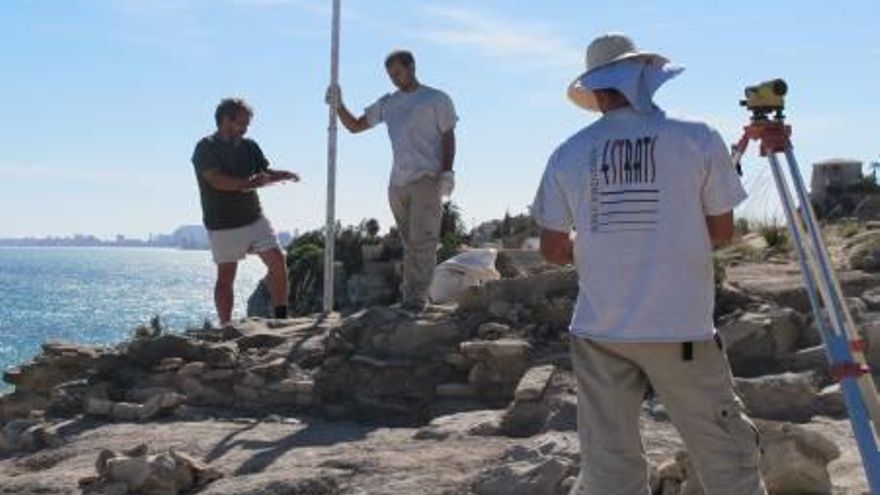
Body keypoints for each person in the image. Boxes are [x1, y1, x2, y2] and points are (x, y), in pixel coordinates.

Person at [532, 33, 767, 495]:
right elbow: (721, 233)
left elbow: (553, 248)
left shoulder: (569, 153)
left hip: (600, 332)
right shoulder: (697, 138)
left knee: (607, 471)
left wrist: (604, 244)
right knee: (727, 461)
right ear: (645, 79)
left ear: (597, 92)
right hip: (680, 330)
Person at [327, 50, 458, 311]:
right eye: (390, 75)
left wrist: (447, 172)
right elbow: (354, 126)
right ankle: (411, 295)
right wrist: (338, 105)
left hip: (428, 177)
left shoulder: (436, 99)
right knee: (410, 243)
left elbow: (448, 136)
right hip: (397, 182)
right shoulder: (389, 103)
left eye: (398, 73)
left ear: (411, 67)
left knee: (424, 240)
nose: (394, 79)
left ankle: (416, 298)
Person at [191, 98, 300, 325]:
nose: (246, 128)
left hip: (254, 217)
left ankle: (281, 319)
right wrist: (249, 183)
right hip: (223, 223)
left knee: (278, 262)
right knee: (226, 277)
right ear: (226, 120)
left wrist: (284, 175)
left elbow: (264, 172)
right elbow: (216, 181)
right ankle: (225, 327)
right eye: (243, 123)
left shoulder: (250, 146)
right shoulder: (206, 147)